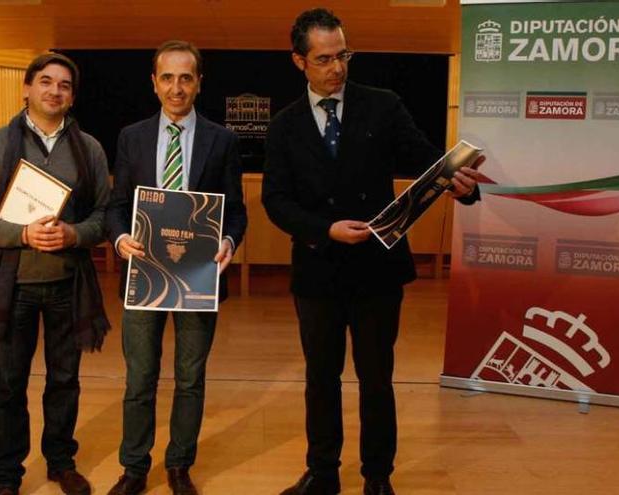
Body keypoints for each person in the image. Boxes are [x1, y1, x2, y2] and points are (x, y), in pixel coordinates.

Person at [262, 9, 481, 495]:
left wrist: (460, 183)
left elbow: (430, 162)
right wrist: (325, 230)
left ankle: (378, 478)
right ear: (299, 61)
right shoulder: (284, 126)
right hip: (318, 272)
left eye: (343, 54)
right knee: (321, 380)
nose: (337, 67)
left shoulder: (384, 106)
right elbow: (275, 201)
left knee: (377, 380)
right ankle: (322, 474)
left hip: (378, 275)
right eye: (324, 59)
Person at [0, 53, 111, 495]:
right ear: (27, 88)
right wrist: (21, 233)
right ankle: (7, 475)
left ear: (72, 96)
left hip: (69, 284)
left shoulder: (91, 149)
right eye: (45, 81)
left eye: (64, 85)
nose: (54, 91)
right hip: (14, 287)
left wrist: (74, 234)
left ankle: (61, 462)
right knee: (9, 385)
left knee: (65, 381)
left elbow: (104, 215)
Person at [104, 40, 247, 495]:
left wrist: (227, 240)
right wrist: (120, 236)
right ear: (154, 83)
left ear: (199, 83)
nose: (176, 87)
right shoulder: (131, 137)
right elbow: (117, 206)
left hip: (198, 277)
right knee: (140, 377)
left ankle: (180, 465)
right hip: (143, 274)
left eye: (186, 77)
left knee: (190, 378)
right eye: (168, 77)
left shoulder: (222, 140)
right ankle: (134, 467)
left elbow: (237, 211)